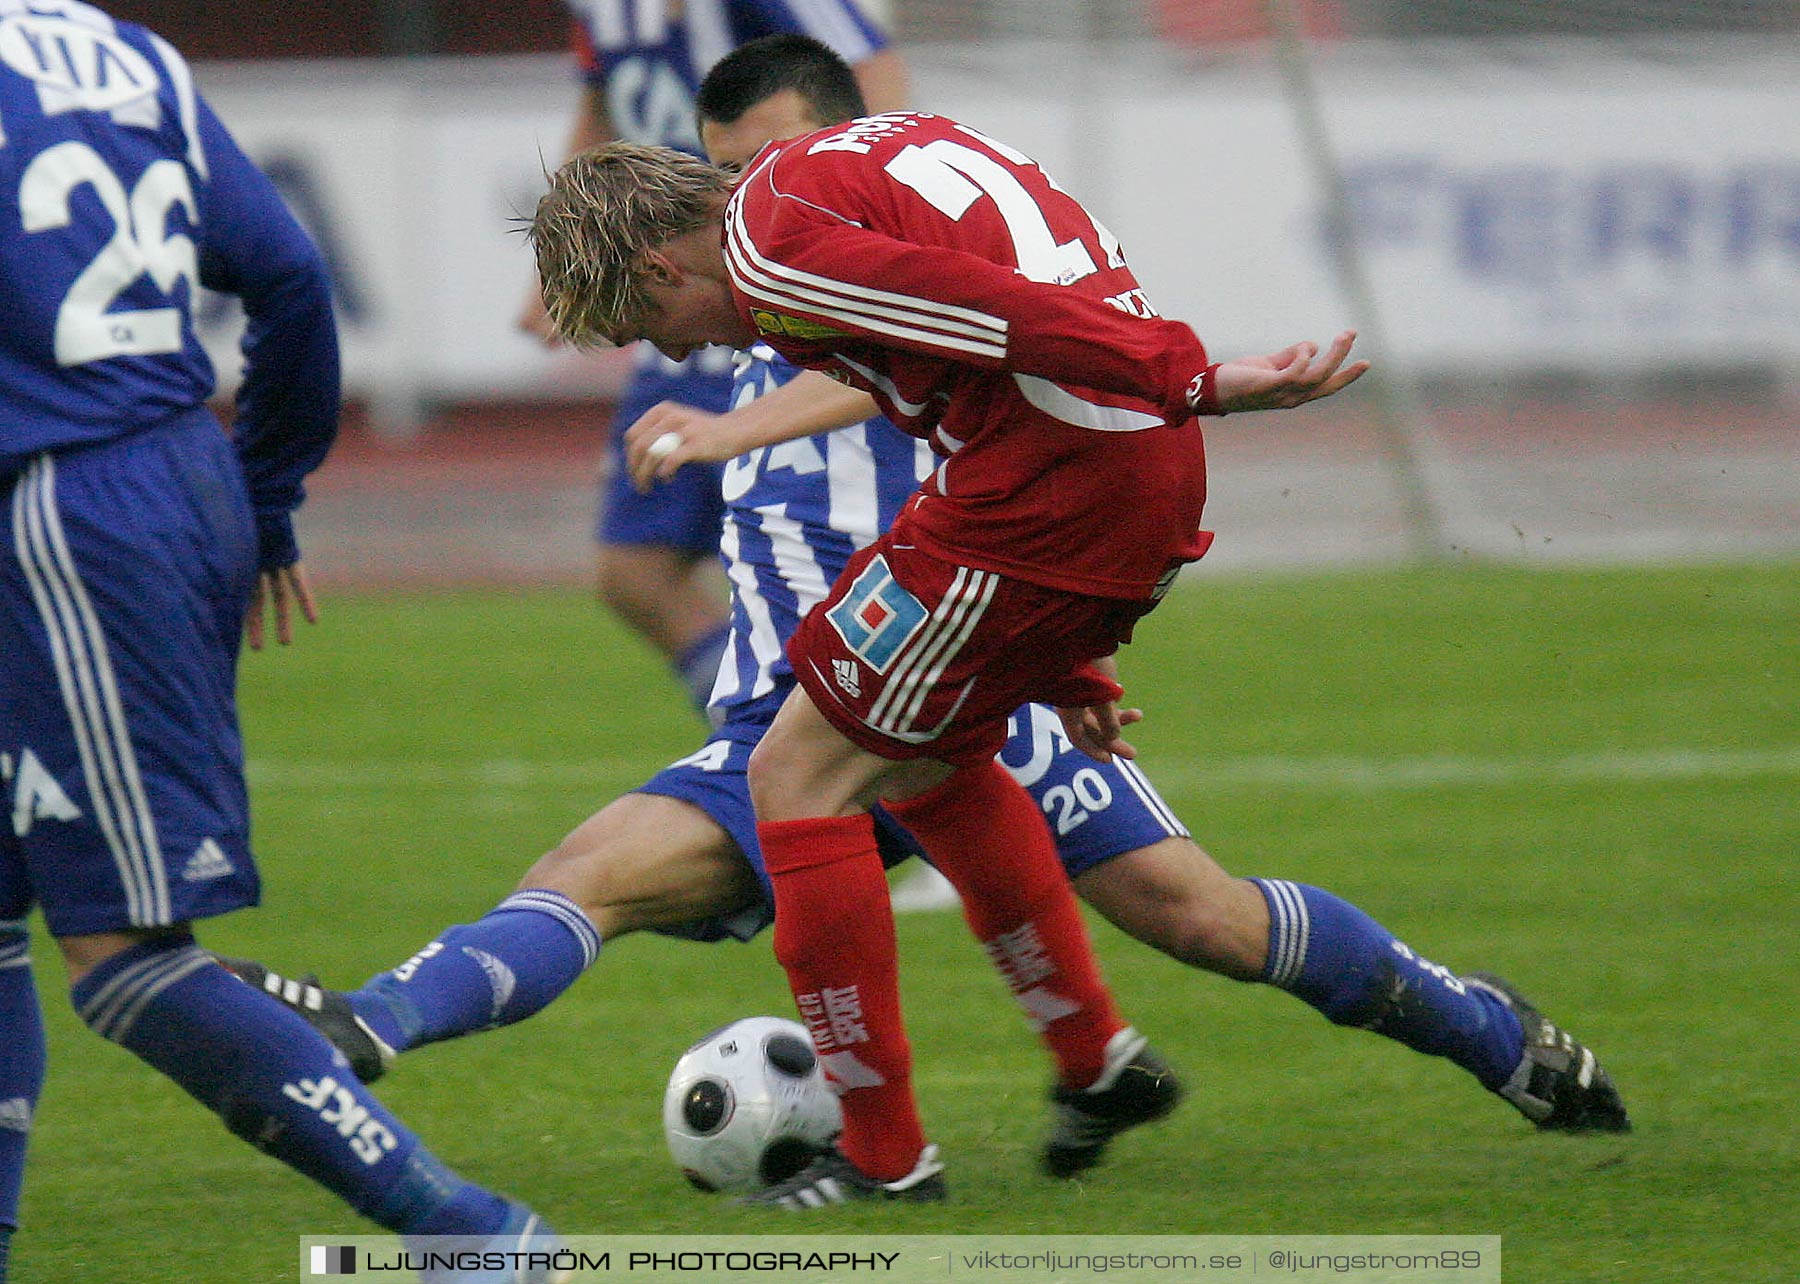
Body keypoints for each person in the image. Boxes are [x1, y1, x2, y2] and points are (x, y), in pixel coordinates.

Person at [527, 35, 1632, 1205]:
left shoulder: (773, 249)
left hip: (1064, 482)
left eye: (654, 329)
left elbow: (995, 309)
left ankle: (888, 1161)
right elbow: (974, 345)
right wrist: (1061, 657)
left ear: (656, 266)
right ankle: (1470, 1038)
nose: (684, 353)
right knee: (959, 782)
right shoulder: (867, 159)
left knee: (796, 774)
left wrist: (1192, 374)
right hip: (1071, 485)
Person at [0, 7, 561, 1278]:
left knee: (123, 954)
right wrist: (262, 499)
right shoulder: (118, 48)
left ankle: (476, 1237)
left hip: (68, 510)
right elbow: (291, 275)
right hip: (141, 481)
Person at [520, 0, 907, 719]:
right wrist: (565, 263)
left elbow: (864, 70)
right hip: (687, 287)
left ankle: (819, 728)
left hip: (773, 275)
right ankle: (767, 723)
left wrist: (874, 199)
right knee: (634, 570)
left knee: (845, 530)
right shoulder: (600, 10)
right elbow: (599, 107)